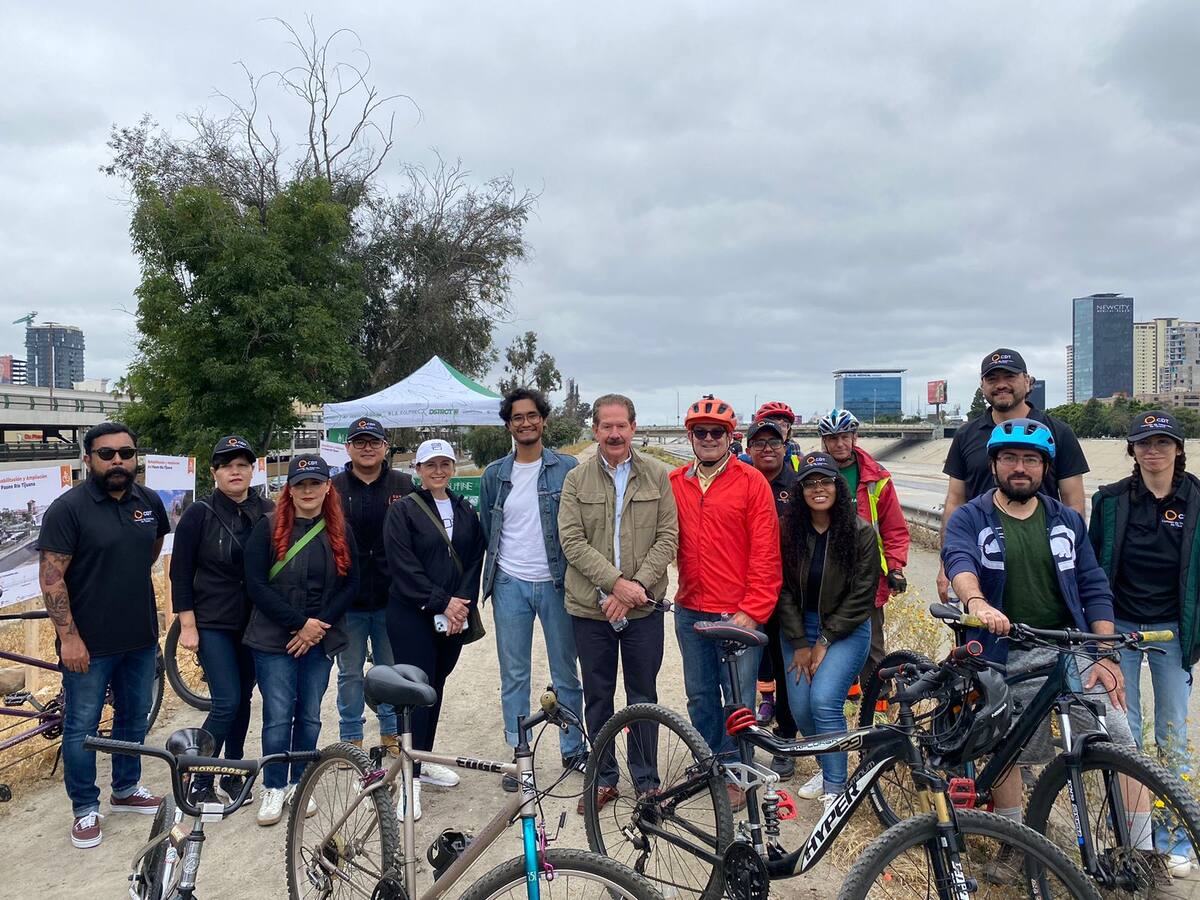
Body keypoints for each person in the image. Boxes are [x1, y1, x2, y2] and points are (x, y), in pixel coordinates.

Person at [942, 418, 1136, 880]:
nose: (1020, 467)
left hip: (1067, 646)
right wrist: (977, 603)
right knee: (1006, 744)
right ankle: (1014, 844)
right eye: (1009, 458)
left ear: (1045, 468)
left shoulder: (1065, 520)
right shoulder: (972, 516)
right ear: (994, 465)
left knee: (1122, 739)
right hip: (1003, 648)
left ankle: (1141, 851)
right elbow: (959, 560)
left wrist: (1105, 651)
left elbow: (1092, 585)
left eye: (1031, 460)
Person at [38, 422, 170, 848]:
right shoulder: (68, 509)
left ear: (135, 458)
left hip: (140, 636)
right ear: (87, 459)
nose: (117, 461)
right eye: (107, 454)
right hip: (88, 645)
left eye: (126, 454)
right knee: (82, 725)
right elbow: (52, 580)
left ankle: (126, 788)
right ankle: (84, 809)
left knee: (134, 715)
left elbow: (151, 548)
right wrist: (69, 638)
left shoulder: (148, 502)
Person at [558, 395, 679, 814]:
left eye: (621, 426)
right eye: (606, 426)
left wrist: (635, 587)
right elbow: (572, 541)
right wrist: (615, 585)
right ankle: (604, 778)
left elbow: (668, 536)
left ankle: (646, 781)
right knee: (598, 695)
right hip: (590, 609)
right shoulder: (576, 479)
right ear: (595, 430)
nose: (614, 433)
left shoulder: (657, 475)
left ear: (633, 427)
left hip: (643, 607)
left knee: (643, 695)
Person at [670, 395, 781, 810]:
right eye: (700, 432)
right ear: (691, 437)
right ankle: (710, 763)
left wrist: (752, 612)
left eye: (717, 432)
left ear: (730, 437)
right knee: (700, 696)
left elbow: (766, 554)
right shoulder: (675, 482)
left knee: (738, 699)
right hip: (691, 608)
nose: (709, 438)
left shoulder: (751, 482)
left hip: (737, 612)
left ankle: (737, 771)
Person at [480, 388, 586, 792]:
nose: (525, 423)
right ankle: (519, 755)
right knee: (514, 674)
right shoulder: (494, 474)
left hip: (558, 582)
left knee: (565, 671)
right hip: (509, 582)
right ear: (508, 425)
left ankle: (572, 748)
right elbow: (489, 529)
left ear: (543, 420)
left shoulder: (568, 468)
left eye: (531, 415)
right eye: (517, 417)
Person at [244, 454, 358, 827]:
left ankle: (300, 780)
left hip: (319, 638)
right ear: (289, 490)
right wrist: (299, 625)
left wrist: (317, 627)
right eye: (300, 484)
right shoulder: (267, 528)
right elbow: (256, 584)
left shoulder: (340, 530)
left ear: (328, 487)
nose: (308, 491)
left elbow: (351, 584)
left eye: (315, 483)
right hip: (273, 637)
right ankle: (274, 784)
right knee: (278, 715)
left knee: (309, 713)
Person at [169, 435, 274, 805]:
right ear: (214, 472)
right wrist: (187, 624)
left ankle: (233, 772)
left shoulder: (268, 510)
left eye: (242, 465)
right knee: (227, 700)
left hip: (255, 622)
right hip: (213, 621)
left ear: (252, 470)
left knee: (243, 697)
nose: (235, 471)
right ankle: (199, 777)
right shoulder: (198, 514)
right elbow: (180, 573)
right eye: (227, 465)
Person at [1090, 411, 1198, 770]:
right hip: (1120, 626)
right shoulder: (1110, 501)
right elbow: (1093, 564)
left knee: (1173, 732)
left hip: (1173, 629)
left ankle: (1175, 806)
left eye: (1163, 442)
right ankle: (1131, 806)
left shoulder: (1196, 500)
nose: (1153, 450)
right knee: (1125, 727)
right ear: (1132, 450)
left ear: (1178, 449)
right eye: (1144, 443)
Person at [384, 439, 485, 821]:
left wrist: (461, 603)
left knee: (435, 689)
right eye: (431, 465)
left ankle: (422, 763)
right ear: (418, 470)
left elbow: (474, 559)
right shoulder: (403, 510)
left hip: (452, 616)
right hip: (412, 614)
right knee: (415, 693)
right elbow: (403, 565)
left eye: (445, 464)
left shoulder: (464, 509)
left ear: (453, 468)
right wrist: (442, 601)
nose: (438, 471)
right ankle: (407, 778)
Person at [938, 348, 1088, 601]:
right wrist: (947, 564)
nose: (1001, 385)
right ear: (982, 386)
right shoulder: (966, 435)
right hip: (980, 564)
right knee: (980, 622)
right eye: (992, 379)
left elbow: (1074, 504)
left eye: (1009, 377)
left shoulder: (1058, 432)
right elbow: (955, 501)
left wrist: (1072, 564)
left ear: (1027, 381)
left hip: (1042, 565)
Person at [776, 452, 878, 806]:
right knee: (801, 707)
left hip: (845, 629)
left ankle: (837, 790)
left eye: (825, 481)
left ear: (838, 485)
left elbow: (862, 596)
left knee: (824, 700)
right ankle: (826, 765)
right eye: (810, 483)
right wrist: (800, 642)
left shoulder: (861, 533)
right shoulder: (789, 531)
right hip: (798, 628)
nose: (818, 489)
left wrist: (824, 639)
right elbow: (782, 589)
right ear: (800, 490)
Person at [331, 416, 414, 757]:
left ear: (385, 447)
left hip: (391, 597)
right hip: (347, 599)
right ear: (348, 447)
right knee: (349, 673)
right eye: (360, 442)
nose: (367, 448)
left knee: (390, 671)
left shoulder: (403, 484)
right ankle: (351, 738)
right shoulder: (332, 488)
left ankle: (391, 733)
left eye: (374, 442)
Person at [816, 408, 909, 692]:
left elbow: (894, 527)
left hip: (867, 575)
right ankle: (842, 697)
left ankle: (878, 705)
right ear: (824, 441)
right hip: (826, 574)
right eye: (833, 438)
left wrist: (895, 568)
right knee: (827, 640)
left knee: (873, 646)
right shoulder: (815, 474)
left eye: (845, 436)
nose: (839, 444)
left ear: (854, 437)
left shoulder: (876, 477)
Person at [743, 417, 799, 779]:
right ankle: (740, 743)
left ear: (785, 446)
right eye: (760, 443)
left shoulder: (798, 486)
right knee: (745, 672)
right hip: (744, 592)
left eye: (774, 442)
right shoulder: (741, 482)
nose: (767, 449)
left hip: (785, 595)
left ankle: (786, 739)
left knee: (785, 669)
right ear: (749, 449)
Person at [739, 401, 802, 470]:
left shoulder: (799, 463)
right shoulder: (742, 463)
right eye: (773, 424)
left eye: (783, 425)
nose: (779, 428)